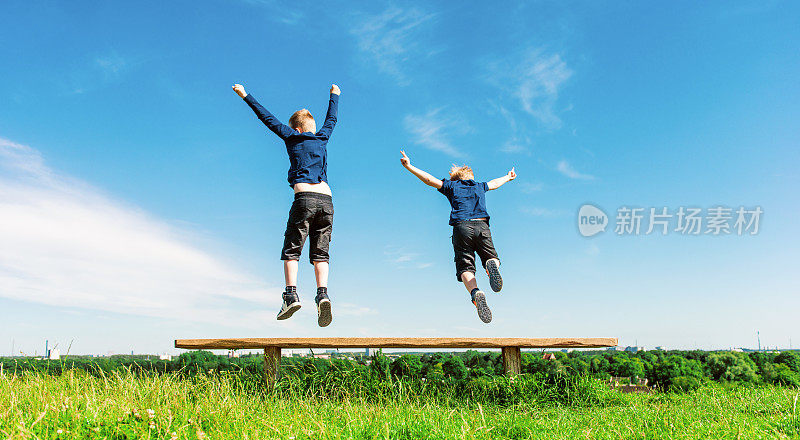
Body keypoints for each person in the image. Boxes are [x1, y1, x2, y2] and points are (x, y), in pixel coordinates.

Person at [233, 83, 340, 327]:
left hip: (304, 199)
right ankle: (322, 294)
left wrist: (245, 95)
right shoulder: (323, 137)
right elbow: (332, 118)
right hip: (327, 201)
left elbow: (266, 117)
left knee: (292, 250)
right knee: (320, 253)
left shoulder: (292, 136)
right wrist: (335, 95)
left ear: (298, 128)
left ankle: (290, 295)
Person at [399, 150, 516, 323]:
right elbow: (495, 183)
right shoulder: (479, 186)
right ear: (471, 178)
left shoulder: (451, 186)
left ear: (456, 179)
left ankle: (476, 293)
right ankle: (492, 264)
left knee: (466, 268)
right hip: (482, 225)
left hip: (462, 228)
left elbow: (429, 180)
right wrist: (508, 177)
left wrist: (409, 166)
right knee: (491, 255)